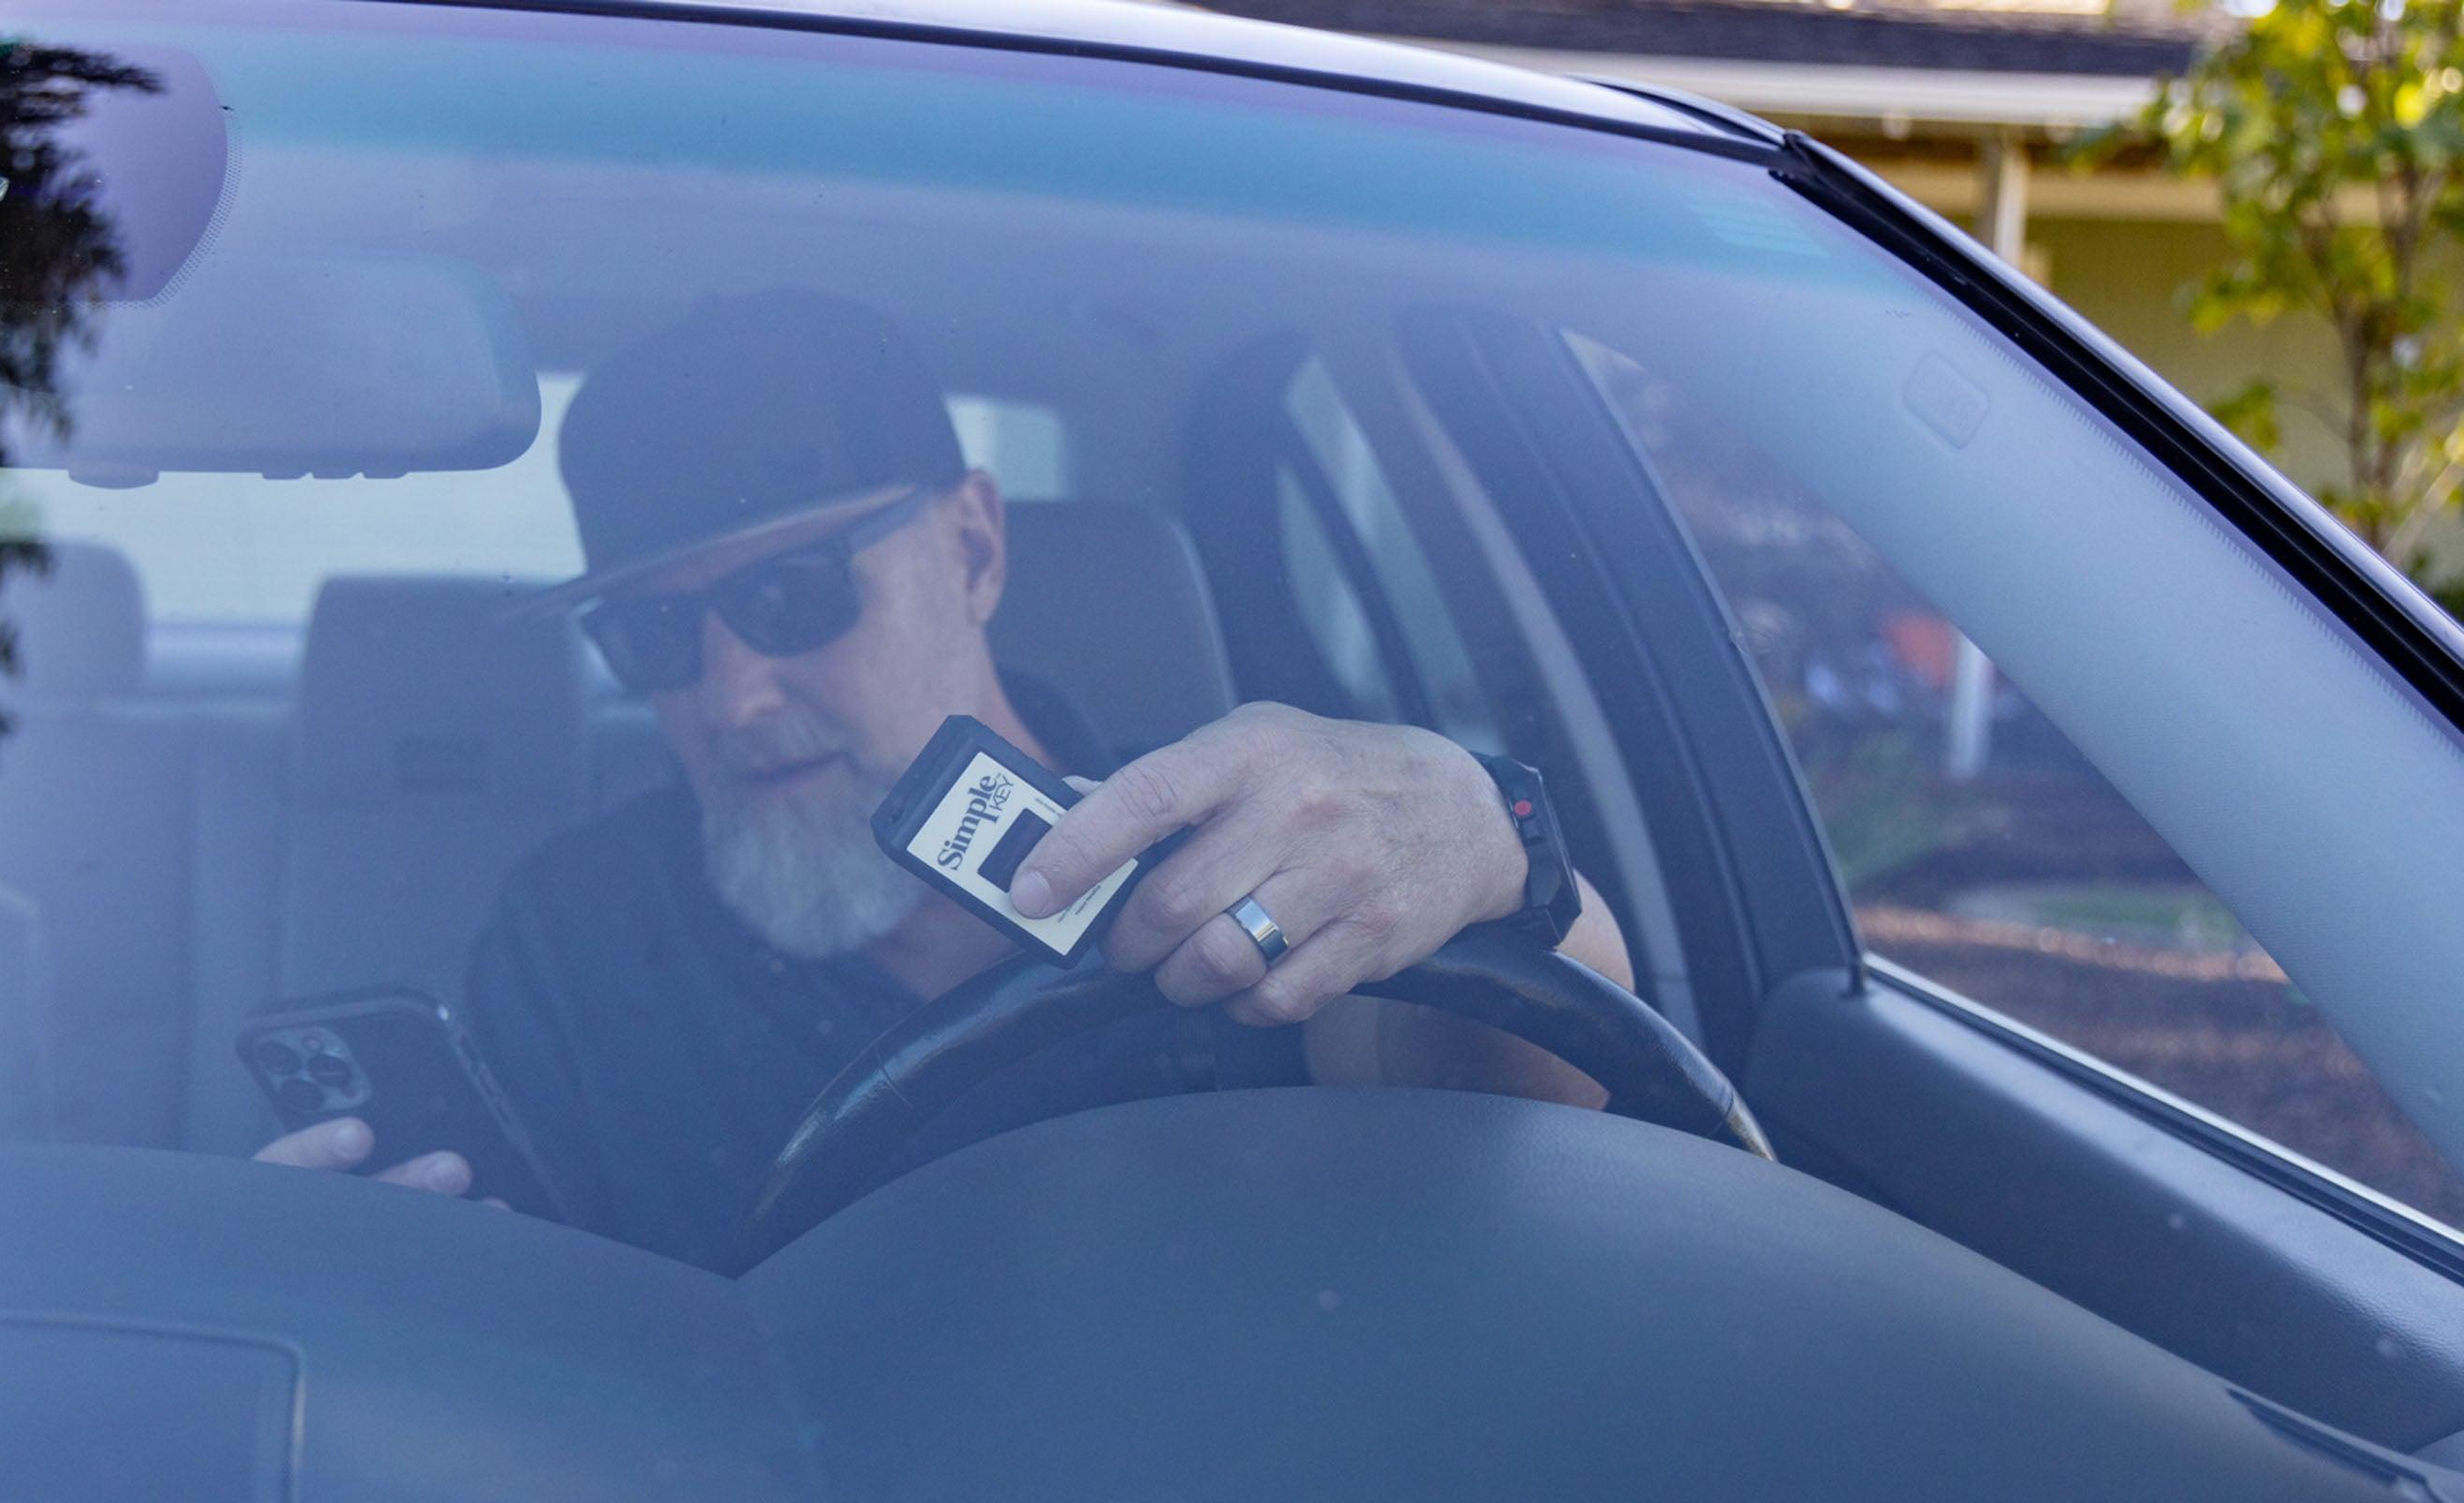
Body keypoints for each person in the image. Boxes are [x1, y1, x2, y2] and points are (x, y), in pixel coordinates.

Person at [259, 291, 1633, 1267]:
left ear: (974, 547)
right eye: (653, 634)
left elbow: (1546, 1153)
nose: (733, 695)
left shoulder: (1251, 851)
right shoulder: (577, 935)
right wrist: (376, 1277)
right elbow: (523, 1309)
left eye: (795, 594)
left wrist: (1484, 848)